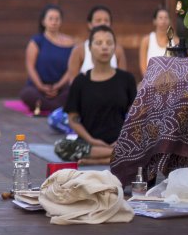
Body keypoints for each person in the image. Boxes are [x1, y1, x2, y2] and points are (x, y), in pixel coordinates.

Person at [55, 25, 137, 165]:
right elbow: (72, 119)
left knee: (146, 143)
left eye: (109, 43)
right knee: (61, 146)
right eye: (99, 43)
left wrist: (122, 139)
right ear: (90, 48)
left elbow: (136, 116)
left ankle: (96, 161)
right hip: (90, 144)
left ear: (114, 47)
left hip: (121, 140)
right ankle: (115, 156)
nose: (104, 47)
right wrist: (92, 141)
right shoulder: (81, 81)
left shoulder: (126, 79)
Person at [19, 4, 75, 114]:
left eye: (57, 19)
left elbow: (72, 68)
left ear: (61, 21)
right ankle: (57, 107)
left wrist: (58, 85)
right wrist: (41, 86)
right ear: (43, 21)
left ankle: (44, 106)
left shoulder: (70, 42)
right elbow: (30, 66)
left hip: (61, 87)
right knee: (27, 94)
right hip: (39, 88)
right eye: (50, 19)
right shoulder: (36, 41)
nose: (54, 22)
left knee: (75, 92)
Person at [66, 5, 128, 78]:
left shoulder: (118, 50)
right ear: (90, 24)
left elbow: (123, 79)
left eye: (106, 20)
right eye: (98, 20)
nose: (103, 23)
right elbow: (73, 82)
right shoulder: (79, 50)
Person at [138, 7, 176, 76]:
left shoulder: (176, 41)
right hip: (151, 82)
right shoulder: (146, 40)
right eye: (160, 18)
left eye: (166, 18)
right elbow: (143, 67)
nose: (163, 21)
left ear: (169, 20)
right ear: (154, 21)